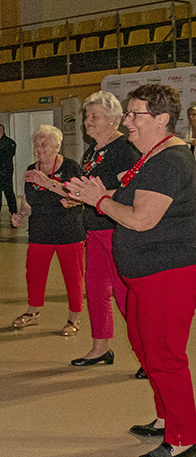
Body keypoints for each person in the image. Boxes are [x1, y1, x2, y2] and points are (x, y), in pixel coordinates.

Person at [66, 84, 196, 457]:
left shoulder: (169, 162)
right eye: (128, 114)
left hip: (167, 273)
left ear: (161, 119)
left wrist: (100, 200)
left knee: (165, 355)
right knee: (145, 347)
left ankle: (184, 438)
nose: (128, 122)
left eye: (135, 115)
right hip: (145, 273)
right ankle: (166, 418)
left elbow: (142, 219)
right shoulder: (152, 156)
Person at [70, 92, 140, 367]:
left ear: (113, 119)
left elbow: (132, 192)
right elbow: (92, 188)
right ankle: (101, 348)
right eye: (86, 116)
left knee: (124, 297)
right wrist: (76, 195)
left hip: (115, 230)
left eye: (94, 117)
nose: (87, 122)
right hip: (94, 229)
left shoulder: (124, 149)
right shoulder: (93, 150)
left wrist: (97, 196)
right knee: (96, 291)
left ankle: (145, 356)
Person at [11, 125, 85, 335]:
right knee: (34, 273)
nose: (39, 148)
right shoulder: (30, 169)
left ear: (57, 145)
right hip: (40, 230)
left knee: (73, 276)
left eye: (44, 144)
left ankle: (74, 318)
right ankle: (32, 313)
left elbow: (78, 195)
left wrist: (49, 183)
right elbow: (27, 201)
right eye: (36, 144)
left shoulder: (70, 167)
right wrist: (21, 214)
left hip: (69, 230)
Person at [0, 124, 18, 223]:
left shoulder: (10, 143)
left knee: (8, 192)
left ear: (0, 130)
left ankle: (13, 212)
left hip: (5, 172)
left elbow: (10, 154)